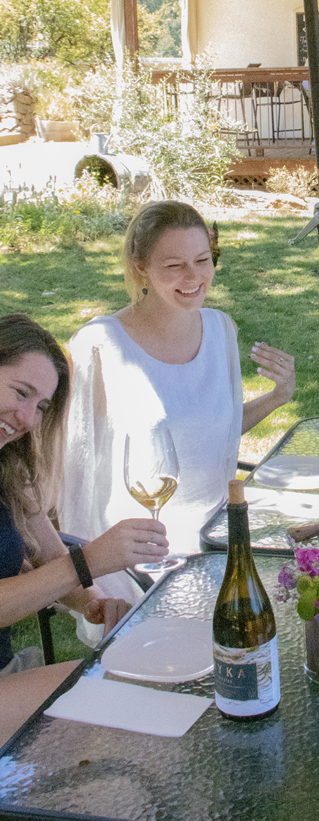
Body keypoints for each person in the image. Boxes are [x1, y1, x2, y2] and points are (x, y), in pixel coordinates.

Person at [60, 200, 295, 604]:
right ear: (140, 267)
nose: (193, 277)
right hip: (138, 562)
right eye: (174, 265)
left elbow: (214, 430)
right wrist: (91, 586)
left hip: (219, 542)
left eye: (203, 260)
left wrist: (278, 397)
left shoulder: (220, 328)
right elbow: (74, 471)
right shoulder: (100, 345)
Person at [0, 313, 168, 746]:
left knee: (141, 693)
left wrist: (94, 602)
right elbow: (72, 563)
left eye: (40, 406)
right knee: (115, 709)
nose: (26, 419)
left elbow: (50, 556)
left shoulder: (8, 465)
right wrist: (89, 561)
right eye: (20, 393)